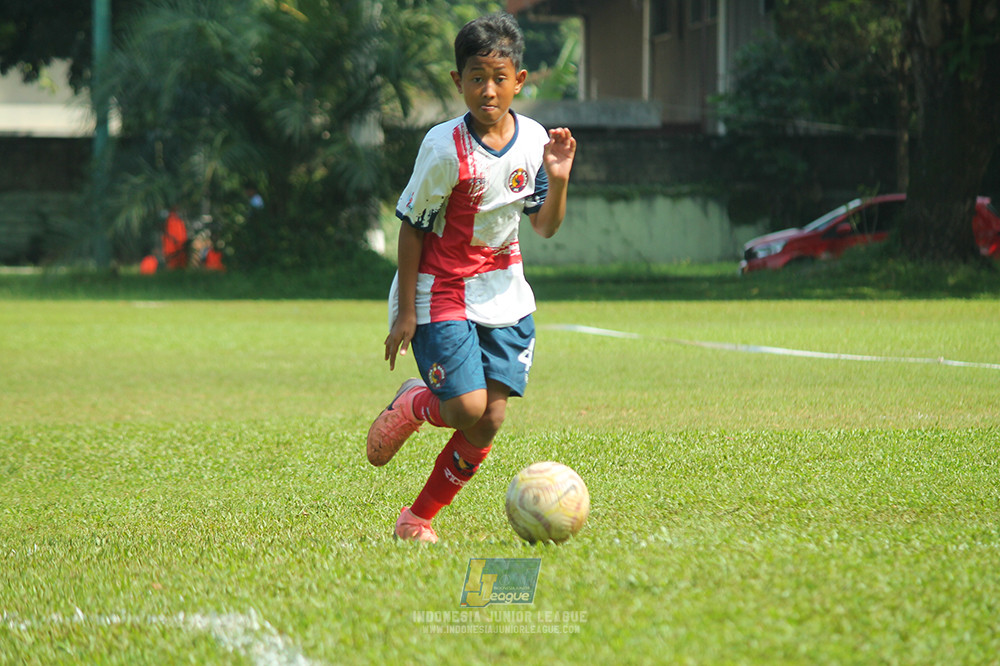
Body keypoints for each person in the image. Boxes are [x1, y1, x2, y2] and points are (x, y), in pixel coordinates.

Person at [366, 12, 576, 543]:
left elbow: (545, 227)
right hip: (440, 290)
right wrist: (406, 312)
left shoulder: (533, 140)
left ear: (519, 81)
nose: (488, 90)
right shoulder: (444, 149)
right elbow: (412, 228)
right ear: (457, 81)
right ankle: (416, 401)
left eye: (499, 78)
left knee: (489, 421)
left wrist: (557, 179)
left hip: (506, 293)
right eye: (476, 78)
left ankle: (417, 520)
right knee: (464, 408)